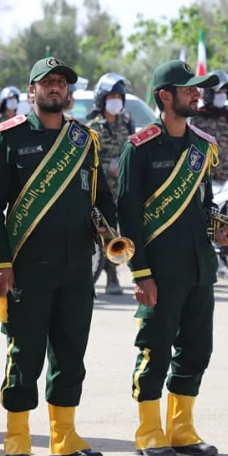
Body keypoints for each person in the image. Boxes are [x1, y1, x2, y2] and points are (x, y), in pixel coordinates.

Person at [0, 57, 116, 456]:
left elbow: (101, 199)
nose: (55, 88)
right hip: (27, 266)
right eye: (47, 83)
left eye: (61, 83)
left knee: (71, 352)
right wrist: (0, 260)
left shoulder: (85, 139)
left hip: (77, 266)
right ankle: (18, 435)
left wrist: (110, 233)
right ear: (31, 91)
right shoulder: (9, 138)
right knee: (24, 353)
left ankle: (64, 435)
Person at [118, 60, 228, 456]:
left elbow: (203, 204)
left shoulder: (202, 146)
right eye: (188, 89)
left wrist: (217, 229)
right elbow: (128, 216)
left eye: (197, 88)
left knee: (196, 348)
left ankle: (182, 428)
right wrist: (141, 273)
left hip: (199, 267)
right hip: (159, 270)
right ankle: (149, 429)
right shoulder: (140, 147)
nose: (196, 93)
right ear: (164, 96)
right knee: (155, 348)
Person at [86, 73, 135, 295]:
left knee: (117, 232)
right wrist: (108, 168)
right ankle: (105, 276)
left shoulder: (126, 123)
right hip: (101, 187)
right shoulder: (93, 126)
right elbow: (88, 161)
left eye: (119, 96)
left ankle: (114, 272)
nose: (115, 100)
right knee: (100, 232)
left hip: (121, 189)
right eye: (111, 96)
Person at [191, 69, 228, 182]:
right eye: (218, 92)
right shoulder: (198, 116)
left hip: (226, 174)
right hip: (205, 174)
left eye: (224, 91)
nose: (222, 94)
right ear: (209, 93)